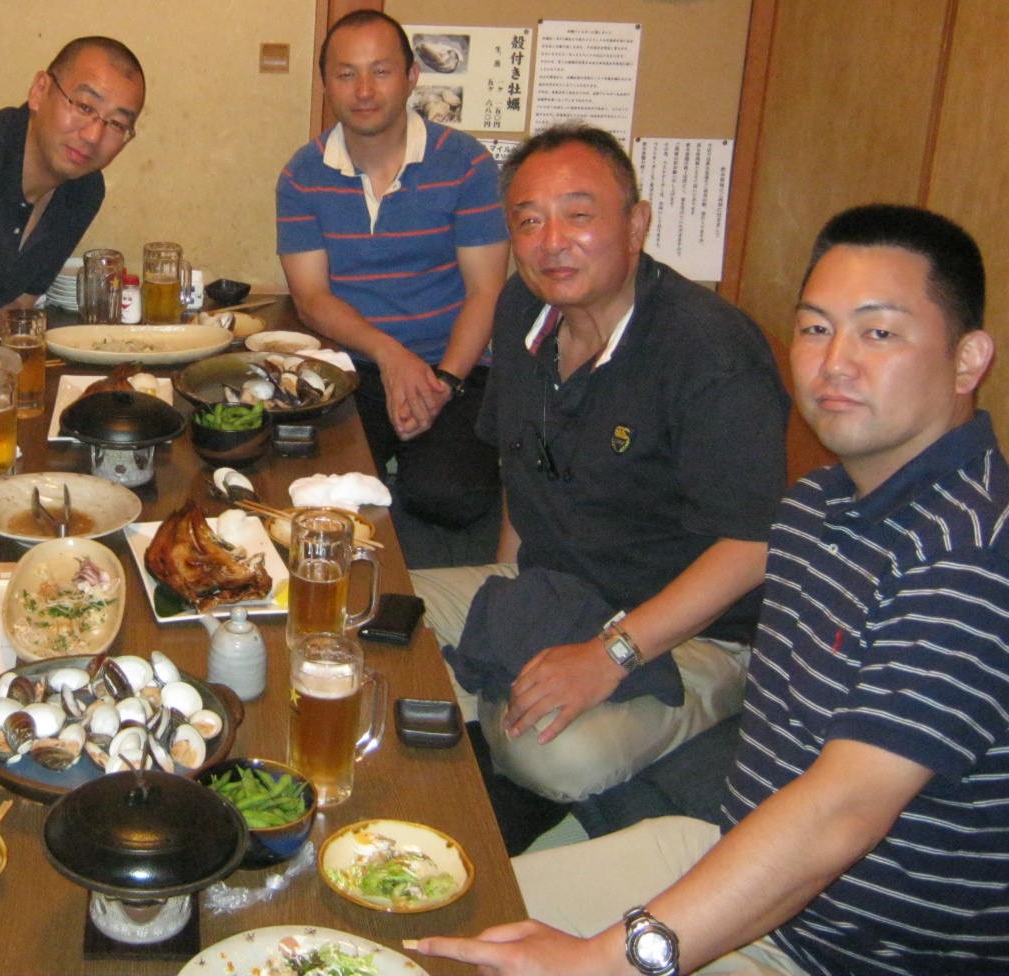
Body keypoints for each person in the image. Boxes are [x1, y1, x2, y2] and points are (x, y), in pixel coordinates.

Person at [410, 203, 1009, 976]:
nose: (835, 363)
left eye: (880, 333)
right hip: (736, 864)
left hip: (843, 955)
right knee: (420, 923)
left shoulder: (974, 556)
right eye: (816, 328)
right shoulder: (817, 506)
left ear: (968, 360)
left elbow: (841, 812)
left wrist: (606, 960)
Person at [412, 124, 788, 850]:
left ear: (636, 225)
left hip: (692, 632)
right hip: (558, 589)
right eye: (529, 221)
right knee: (364, 622)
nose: (552, 242)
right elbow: (521, 470)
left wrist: (608, 654)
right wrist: (507, 595)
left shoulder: (709, 351)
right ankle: (501, 692)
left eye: (579, 215)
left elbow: (753, 546)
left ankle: (509, 715)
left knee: (551, 753)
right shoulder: (521, 310)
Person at [277, 9, 509, 533]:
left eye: (380, 71)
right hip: (350, 366)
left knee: (449, 497)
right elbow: (311, 298)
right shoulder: (301, 176)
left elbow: (487, 291)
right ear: (326, 84)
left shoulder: (467, 164)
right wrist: (389, 355)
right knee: (317, 490)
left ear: (411, 77)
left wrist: (442, 382)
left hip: (456, 363)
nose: (364, 90)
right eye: (346, 74)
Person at [0, 36, 145, 345]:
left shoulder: (84, 191)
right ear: (40, 91)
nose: (93, 136)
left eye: (117, 124)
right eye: (84, 106)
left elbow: (20, 305)